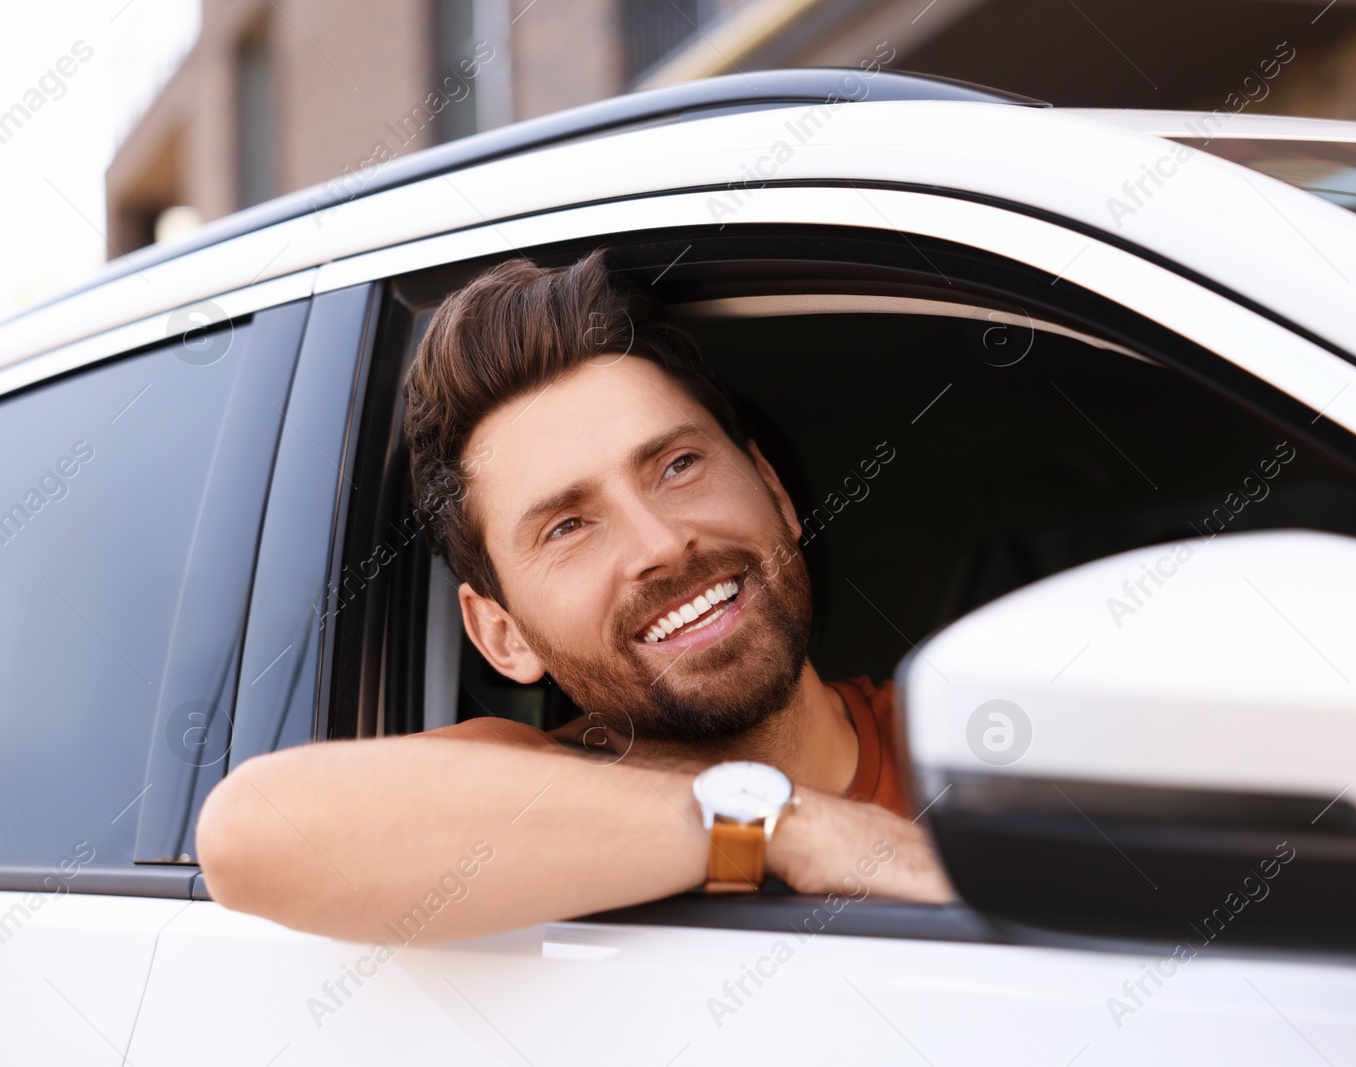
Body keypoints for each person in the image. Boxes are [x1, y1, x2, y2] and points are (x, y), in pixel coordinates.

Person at [196, 250, 954, 944]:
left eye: (678, 464)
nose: (659, 543)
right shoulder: (524, 793)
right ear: (502, 636)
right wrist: (780, 824)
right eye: (567, 526)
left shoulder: (970, 756)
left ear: (776, 491)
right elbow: (252, 828)